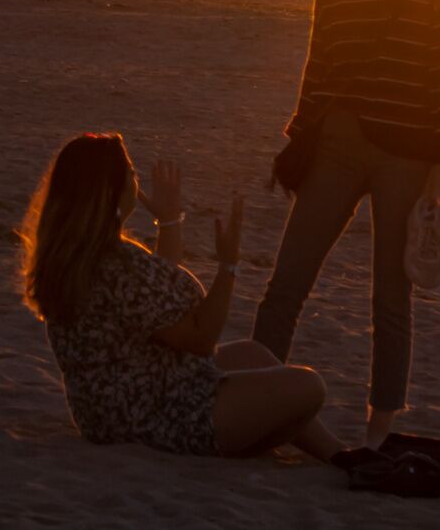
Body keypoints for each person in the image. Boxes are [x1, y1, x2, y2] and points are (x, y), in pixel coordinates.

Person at [252, 0, 440, 445]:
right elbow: (318, 61)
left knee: (390, 295)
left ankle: (379, 431)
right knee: (288, 279)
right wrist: (298, 139)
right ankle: (255, 400)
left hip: (407, 154)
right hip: (338, 142)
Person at [19, 132, 342, 461]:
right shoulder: (119, 263)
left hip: (108, 409)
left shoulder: (73, 255)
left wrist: (169, 220)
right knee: (308, 387)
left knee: (252, 355)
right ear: (110, 192)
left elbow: (156, 296)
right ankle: (302, 447)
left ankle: (341, 456)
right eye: (131, 174)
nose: (136, 182)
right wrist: (228, 266)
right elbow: (201, 338)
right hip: (156, 413)